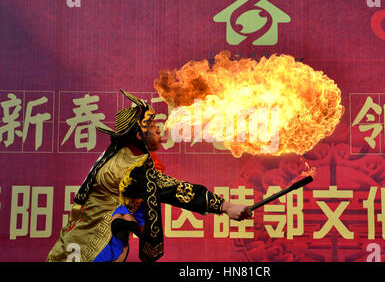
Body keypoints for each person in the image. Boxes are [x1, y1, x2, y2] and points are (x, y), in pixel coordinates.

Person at [46, 90, 252, 262]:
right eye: (153, 126)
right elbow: (173, 189)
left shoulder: (116, 155)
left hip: (71, 246)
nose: (159, 129)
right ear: (139, 134)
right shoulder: (130, 167)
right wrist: (226, 207)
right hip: (90, 251)